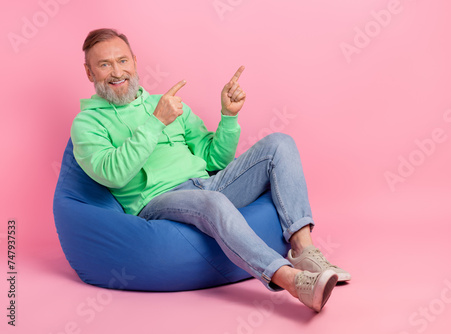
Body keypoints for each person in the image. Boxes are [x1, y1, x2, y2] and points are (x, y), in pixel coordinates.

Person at [71, 28, 351, 313]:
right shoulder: (87, 123)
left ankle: (304, 251)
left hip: (208, 185)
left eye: (122, 61)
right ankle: (291, 280)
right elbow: (112, 174)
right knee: (212, 201)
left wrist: (228, 117)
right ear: (90, 73)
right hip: (156, 202)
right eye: (104, 65)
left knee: (280, 143)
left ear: (134, 61)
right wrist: (156, 123)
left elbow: (214, 158)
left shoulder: (164, 103)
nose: (117, 72)